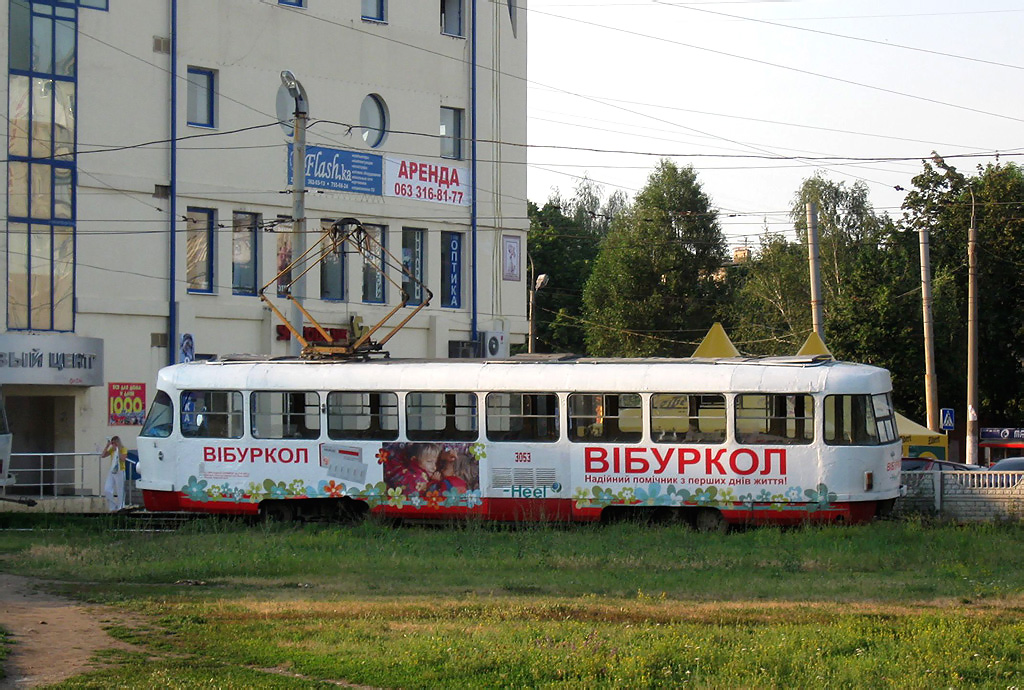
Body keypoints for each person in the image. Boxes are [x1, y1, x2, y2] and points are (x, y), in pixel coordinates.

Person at [101, 436, 128, 511]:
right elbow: (103, 455)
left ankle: (121, 507)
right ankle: (113, 506)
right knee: (107, 489)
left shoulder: (123, 449)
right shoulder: (112, 450)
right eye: (112, 443)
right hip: (112, 470)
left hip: (120, 470)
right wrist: (107, 446)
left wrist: (118, 450)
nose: (112, 444)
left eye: (113, 443)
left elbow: (123, 459)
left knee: (120, 490)